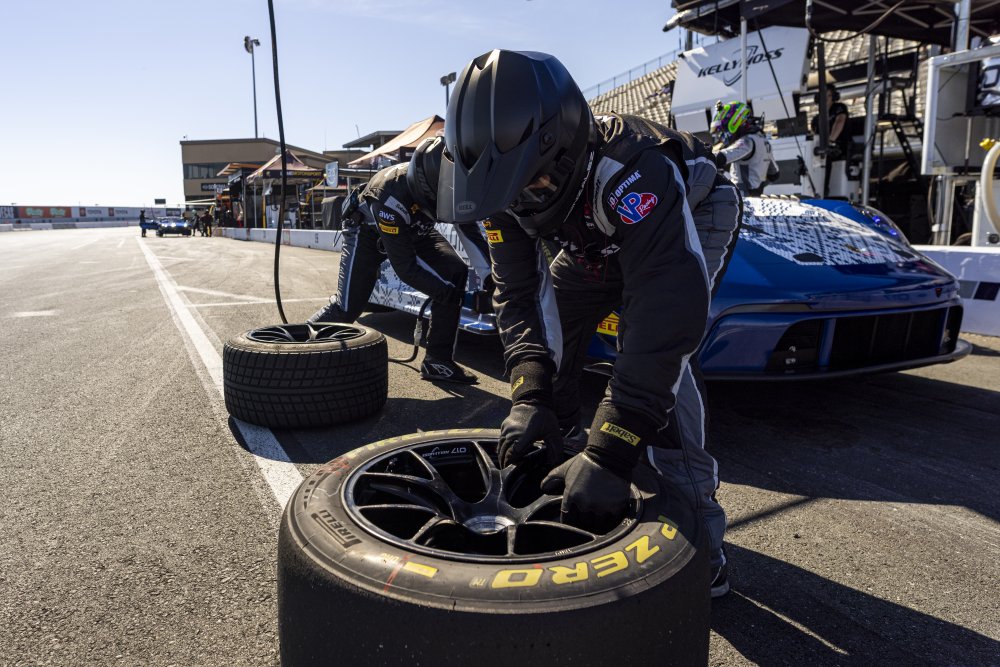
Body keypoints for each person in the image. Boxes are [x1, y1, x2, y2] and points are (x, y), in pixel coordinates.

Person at [439, 49, 743, 597]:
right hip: (593, 239)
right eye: (507, 193)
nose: (520, 204)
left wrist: (613, 448)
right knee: (554, 340)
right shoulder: (499, 187)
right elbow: (520, 295)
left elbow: (665, 316)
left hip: (693, 209)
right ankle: (564, 463)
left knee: (665, 373)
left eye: (531, 185)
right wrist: (530, 394)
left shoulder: (634, 171)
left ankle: (702, 538)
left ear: (566, 150)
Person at [308, 137, 491, 384]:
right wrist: (459, 297)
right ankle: (300, 347)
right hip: (367, 233)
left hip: (415, 229)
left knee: (453, 271)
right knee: (348, 306)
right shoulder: (388, 195)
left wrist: (491, 281)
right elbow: (406, 268)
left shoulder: (451, 185)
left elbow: (469, 232)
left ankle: (438, 361)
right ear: (424, 189)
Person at [711, 101, 779, 196]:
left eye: (722, 129)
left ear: (734, 121)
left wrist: (701, 154)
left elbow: (721, 157)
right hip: (756, 197)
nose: (721, 134)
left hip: (741, 199)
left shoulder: (747, 141)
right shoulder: (764, 141)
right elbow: (774, 174)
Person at [810, 84, 849, 158]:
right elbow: (814, 136)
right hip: (823, 153)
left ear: (834, 97)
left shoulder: (839, 107)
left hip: (840, 149)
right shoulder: (816, 119)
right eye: (823, 95)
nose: (826, 98)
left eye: (829, 96)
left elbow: (840, 121)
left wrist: (830, 141)